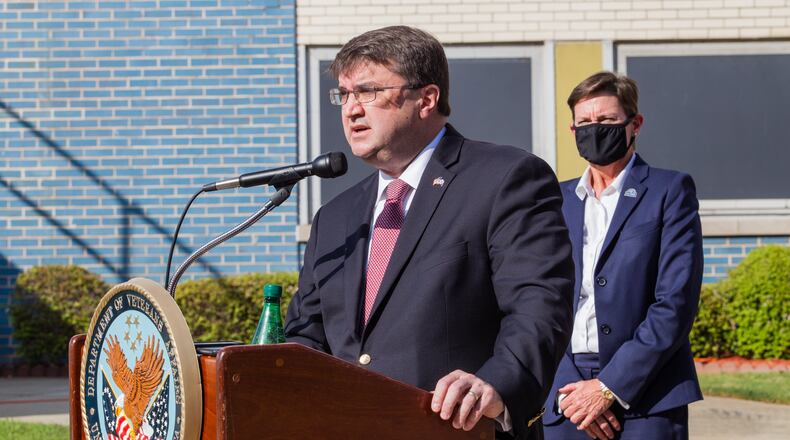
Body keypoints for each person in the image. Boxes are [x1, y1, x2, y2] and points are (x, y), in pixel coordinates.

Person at [285, 26, 574, 439]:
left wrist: (497, 383)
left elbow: (539, 304)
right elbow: (307, 335)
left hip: (459, 428)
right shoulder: (335, 217)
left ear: (427, 98)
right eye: (344, 95)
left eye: (367, 91)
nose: (351, 110)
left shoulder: (504, 179)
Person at [541, 71, 703, 440]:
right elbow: (540, 298)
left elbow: (675, 302)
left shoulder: (669, 191)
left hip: (647, 395)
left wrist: (608, 387)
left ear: (635, 124)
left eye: (607, 120)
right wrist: (572, 390)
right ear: (572, 130)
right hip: (566, 390)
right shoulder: (555, 199)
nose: (594, 129)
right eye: (585, 122)